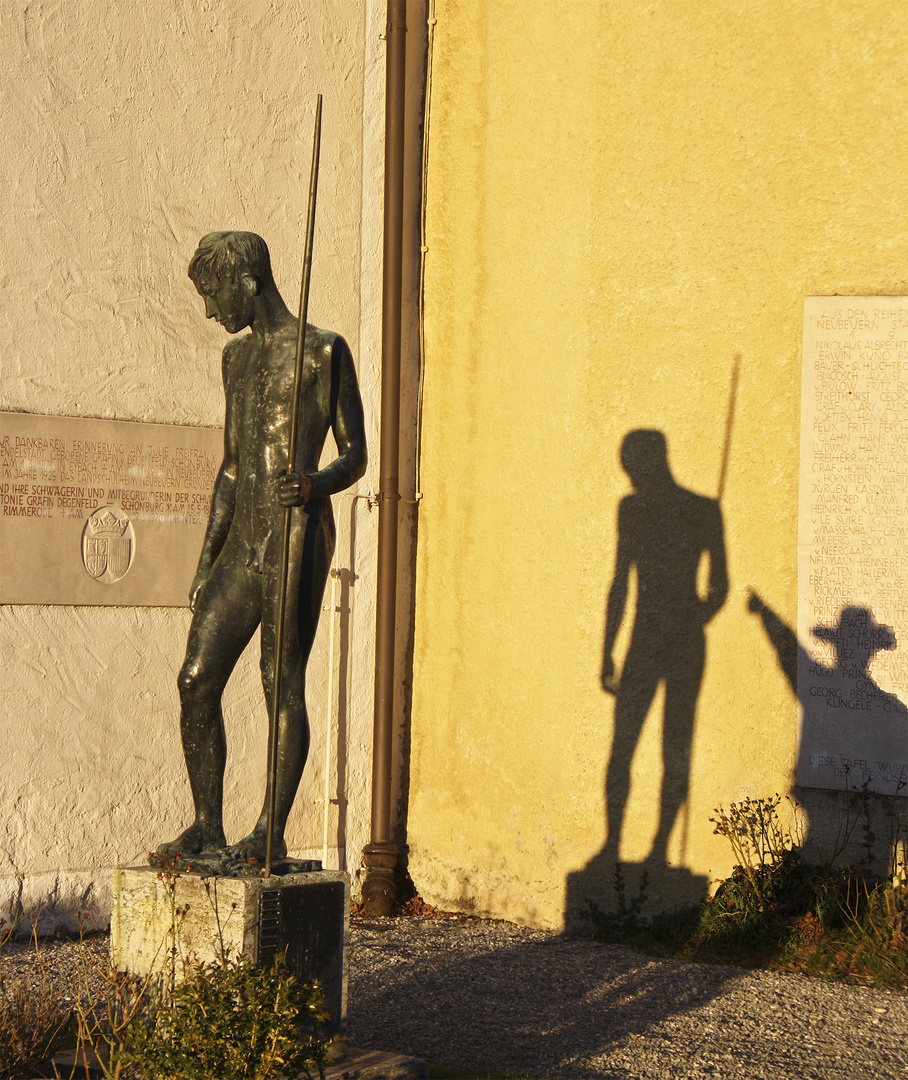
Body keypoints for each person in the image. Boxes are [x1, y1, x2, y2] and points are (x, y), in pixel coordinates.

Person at [156, 231, 367, 863]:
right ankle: (207, 826)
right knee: (196, 679)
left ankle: (268, 834)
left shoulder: (322, 352)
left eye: (213, 294)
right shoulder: (236, 362)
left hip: (294, 534)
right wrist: (204, 562)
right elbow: (228, 467)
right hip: (243, 539)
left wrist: (314, 483)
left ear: (247, 282)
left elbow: (356, 454)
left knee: (281, 683)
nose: (210, 312)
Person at [601, 429, 727, 865]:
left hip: (683, 641)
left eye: (634, 467)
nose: (632, 476)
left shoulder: (704, 510)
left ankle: (658, 850)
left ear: (653, 462)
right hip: (647, 638)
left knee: (675, 743)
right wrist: (607, 648)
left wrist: (696, 615)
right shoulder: (631, 510)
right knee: (624, 742)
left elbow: (720, 585)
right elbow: (620, 582)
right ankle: (614, 844)